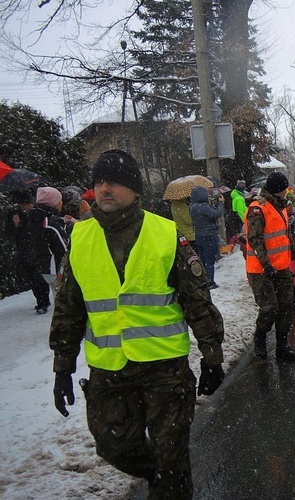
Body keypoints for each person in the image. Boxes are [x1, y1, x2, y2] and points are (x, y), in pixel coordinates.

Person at [49, 149, 225, 499]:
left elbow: (197, 301)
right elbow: (69, 309)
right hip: (109, 372)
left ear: (134, 189)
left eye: (114, 182)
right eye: (99, 182)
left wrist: (212, 355)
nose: (105, 189)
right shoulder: (81, 238)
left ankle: (170, 481)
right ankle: (164, 476)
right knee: (114, 448)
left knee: (171, 453)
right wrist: (62, 367)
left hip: (165, 370)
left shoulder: (164, 233)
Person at [246, 172, 295, 361]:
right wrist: (266, 265)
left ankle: (282, 346)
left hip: (281, 268)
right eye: (285, 189)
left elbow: (285, 238)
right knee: (269, 307)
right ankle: (260, 338)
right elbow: (255, 240)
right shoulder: (258, 209)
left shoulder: (280, 208)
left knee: (285, 307)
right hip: (261, 271)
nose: (287, 192)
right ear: (278, 190)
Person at [27, 186, 68, 314]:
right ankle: (63, 329)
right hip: (55, 266)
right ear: (53, 203)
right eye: (60, 200)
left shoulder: (34, 219)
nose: (62, 203)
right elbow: (64, 249)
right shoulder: (52, 222)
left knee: (60, 300)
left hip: (43, 266)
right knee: (66, 301)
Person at [190, 185, 224, 289]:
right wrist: (221, 204)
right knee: (210, 261)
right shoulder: (204, 207)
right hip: (209, 235)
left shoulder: (192, 206)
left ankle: (203, 280)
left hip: (199, 235)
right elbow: (216, 214)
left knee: (202, 260)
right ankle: (210, 282)